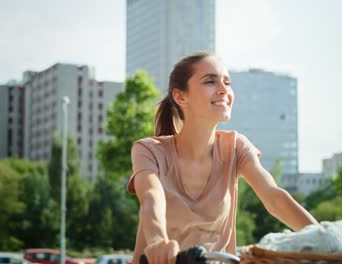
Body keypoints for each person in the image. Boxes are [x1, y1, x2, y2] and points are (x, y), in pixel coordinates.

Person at [127, 52, 318, 264]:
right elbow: (152, 197)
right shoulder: (149, 150)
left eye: (227, 82)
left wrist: (323, 239)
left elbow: (273, 197)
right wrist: (158, 242)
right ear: (181, 97)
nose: (223, 90)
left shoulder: (236, 146)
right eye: (210, 81)